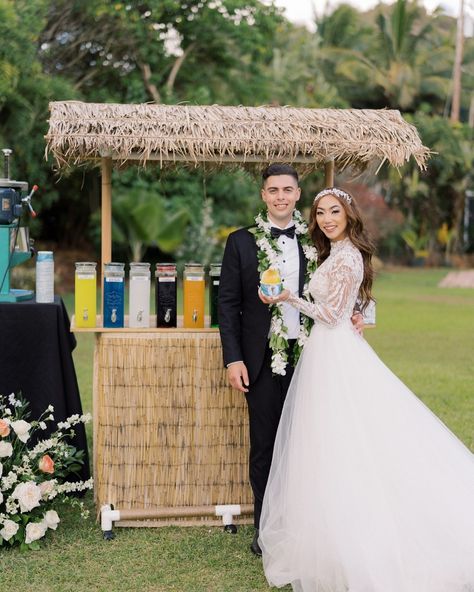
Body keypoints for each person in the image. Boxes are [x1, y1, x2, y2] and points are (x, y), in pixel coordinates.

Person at [258, 187, 474, 591]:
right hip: (329, 351)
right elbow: (355, 306)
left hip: (334, 352)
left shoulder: (348, 256)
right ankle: (333, 536)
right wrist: (360, 312)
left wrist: (288, 298)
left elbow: (330, 313)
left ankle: (358, 540)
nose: (326, 219)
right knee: (331, 443)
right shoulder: (337, 254)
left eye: (334, 212)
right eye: (320, 213)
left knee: (346, 441)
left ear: (349, 214)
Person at [218, 166, 362, 556]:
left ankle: (307, 527)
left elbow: (350, 280)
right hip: (261, 361)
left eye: (288, 190)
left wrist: (362, 311)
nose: (280, 196)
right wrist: (233, 359)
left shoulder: (320, 240)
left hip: (313, 359)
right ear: (263, 196)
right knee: (265, 447)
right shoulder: (240, 243)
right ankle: (266, 530)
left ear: (298, 194)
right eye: (273, 190)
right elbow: (228, 306)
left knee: (310, 445)